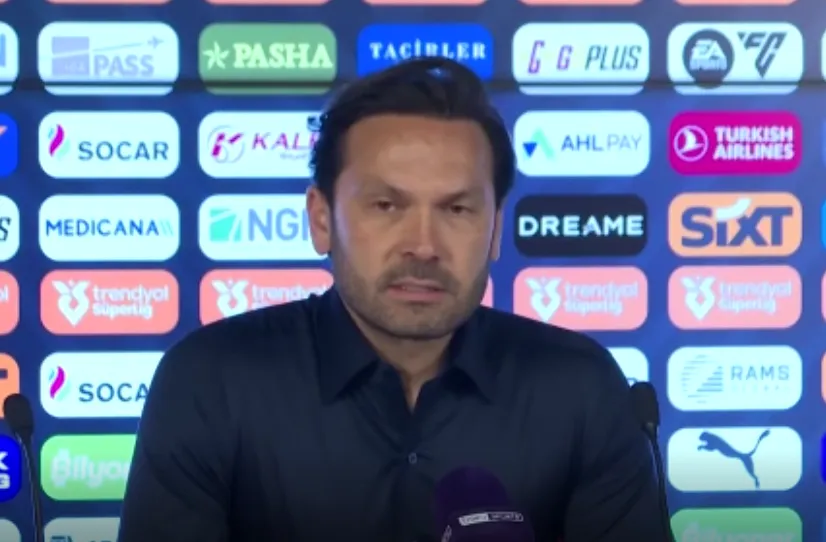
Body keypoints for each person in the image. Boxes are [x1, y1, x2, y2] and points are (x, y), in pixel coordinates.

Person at [118, 57, 662, 542]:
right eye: (386, 206)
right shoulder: (211, 384)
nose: (423, 246)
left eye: (456, 210)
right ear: (322, 219)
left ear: (496, 229)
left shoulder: (579, 389)